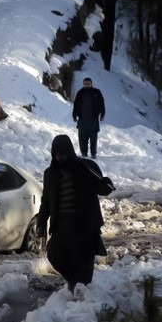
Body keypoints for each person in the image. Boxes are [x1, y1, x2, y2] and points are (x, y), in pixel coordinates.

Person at [36, 134, 115, 293]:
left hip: (84, 223)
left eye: (63, 154)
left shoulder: (85, 168)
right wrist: (41, 223)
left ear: (70, 152)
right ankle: (73, 281)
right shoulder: (50, 174)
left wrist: (107, 184)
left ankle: (82, 293)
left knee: (83, 260)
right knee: (54, 253)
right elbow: (46, 200)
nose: (59, 157)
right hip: (62, 223)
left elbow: (101, 189)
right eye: (56, 154)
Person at [72, 77, 106, 159]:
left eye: (88, 84)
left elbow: (102, 103)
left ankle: (93, 153)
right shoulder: (80, 93)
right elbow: (76, 104)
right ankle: (84, 153)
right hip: (82, 118)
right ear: (83, 84)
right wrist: (74, 115)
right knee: (82, 137)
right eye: (85, 84)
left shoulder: (96, 92)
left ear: (91, 84)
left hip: (93, 119)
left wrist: (102, 114)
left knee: (93, 137)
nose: (87, 85)